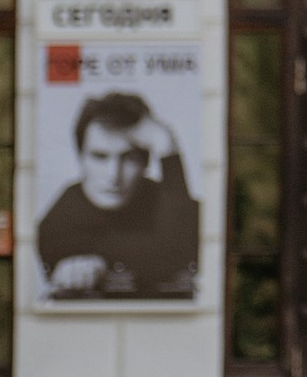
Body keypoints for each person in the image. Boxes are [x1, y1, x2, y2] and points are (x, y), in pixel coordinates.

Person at [36, 90, 199, 300]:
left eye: (129, 158)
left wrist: (167, 147)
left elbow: (185, 253)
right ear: (81, 158)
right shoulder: (57, 221)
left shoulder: (175, 202)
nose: (114, 175)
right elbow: (169, 258)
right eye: (99, 157)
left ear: (145, 162)